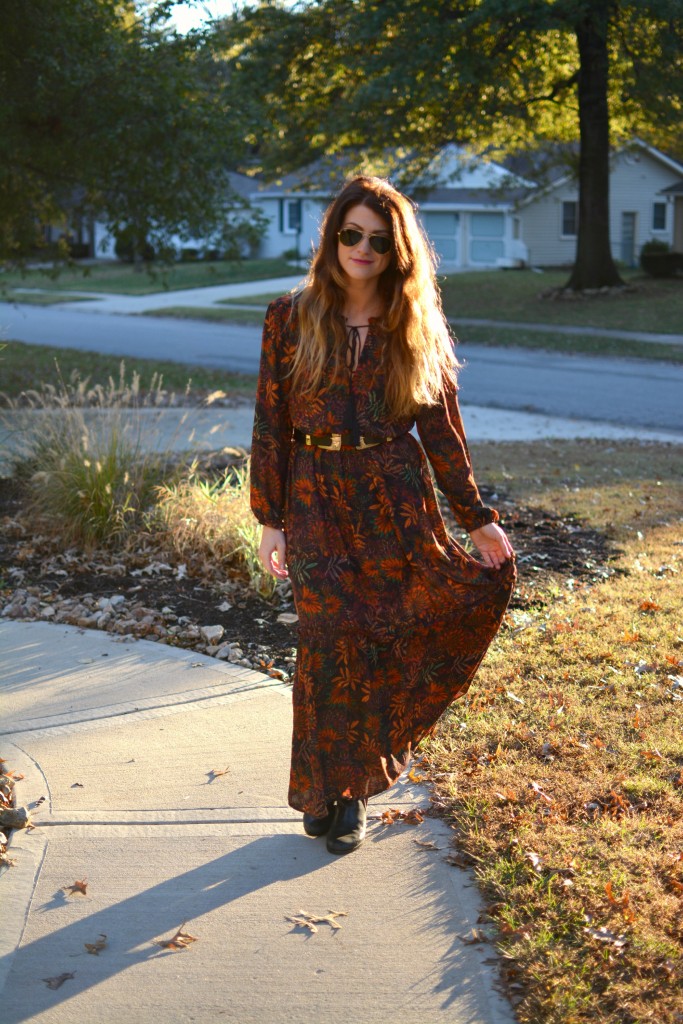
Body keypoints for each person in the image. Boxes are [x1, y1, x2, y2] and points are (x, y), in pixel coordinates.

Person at [250, 175, 516, 856]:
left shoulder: (410, 324)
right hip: (313, 495)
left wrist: (475, 518)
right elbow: (270, 424)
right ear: (331, 237)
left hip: (393, 496)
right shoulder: (289, 317)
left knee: (381, 638)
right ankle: (320, 786)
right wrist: (269, 517)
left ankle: (349, 795)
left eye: (376, 239)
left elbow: (442, 431)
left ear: (396, 250)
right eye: (350, 234)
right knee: (327, 641)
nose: (361, 248)